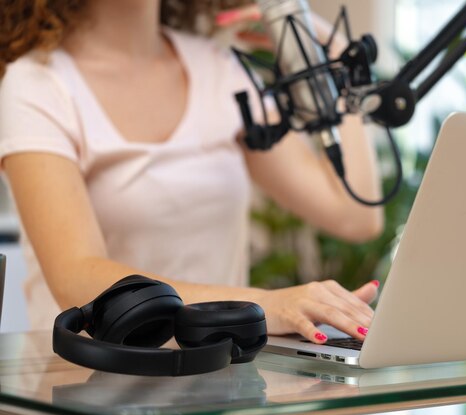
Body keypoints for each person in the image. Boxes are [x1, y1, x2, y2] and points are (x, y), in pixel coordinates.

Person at [0, 0, 383, 344]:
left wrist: (333, 59)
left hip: (215, 378)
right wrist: (266, 304)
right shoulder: (37, 83)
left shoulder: (216, 67)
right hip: (87, 383)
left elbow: (355, 215)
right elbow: (75, 277)